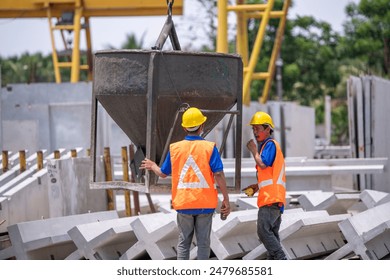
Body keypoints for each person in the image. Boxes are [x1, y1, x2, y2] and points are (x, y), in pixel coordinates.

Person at [140, 106, 231, 260]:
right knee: (203, 243)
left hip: (184, 204)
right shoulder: (209, 148)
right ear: (202, 126)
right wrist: (226, 200)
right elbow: (218, 174)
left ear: (184, 127)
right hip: (205, 203)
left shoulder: (175, 148)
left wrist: (152, 165)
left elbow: (163, 173)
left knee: (184, 243)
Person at [242, 111, 287, 260]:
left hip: (270, 200)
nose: (255, 132)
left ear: (268, 129)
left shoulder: (269, 145)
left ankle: (281, 259)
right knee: (272, 235)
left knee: (263, 232)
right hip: (275, 199)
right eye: (253, 129)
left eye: (258, 128)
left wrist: (253, 150)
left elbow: (262, 164)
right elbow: (269, 174)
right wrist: (257, 186)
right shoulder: (268, 146)